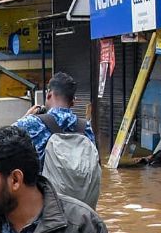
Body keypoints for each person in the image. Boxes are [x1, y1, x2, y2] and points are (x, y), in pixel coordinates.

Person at [13, 72, 101, 209]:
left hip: (49, 208)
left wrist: (26, 116)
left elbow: (1, 141)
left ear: (49, 94)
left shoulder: (33, 123)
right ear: (73, 101)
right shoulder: (85, 127)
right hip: (82, 208)